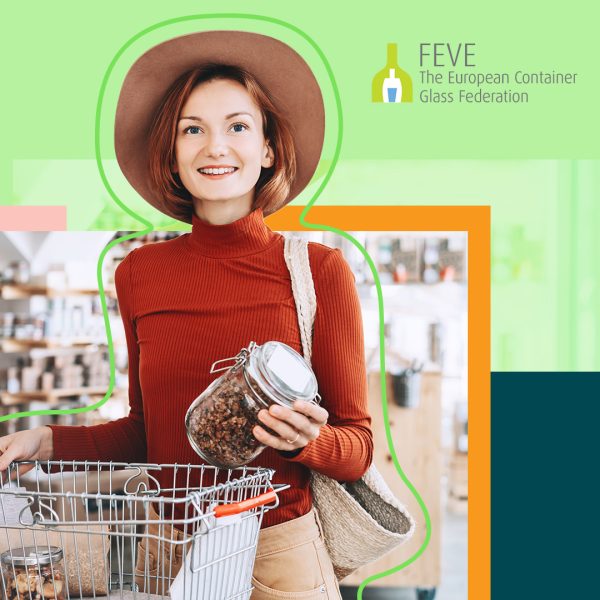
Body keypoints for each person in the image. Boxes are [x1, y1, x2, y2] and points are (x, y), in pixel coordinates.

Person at [0, 31, 372, 599]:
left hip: (277, 555)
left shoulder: (319, 270)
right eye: (192, 129)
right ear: (172, 152)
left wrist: (307, 444)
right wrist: (43, 441)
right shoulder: (140, 272)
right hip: (169, 549)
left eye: (238, 126)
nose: (214, 147)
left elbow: (358, 446)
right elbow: (150, 433)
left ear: (269, 148)